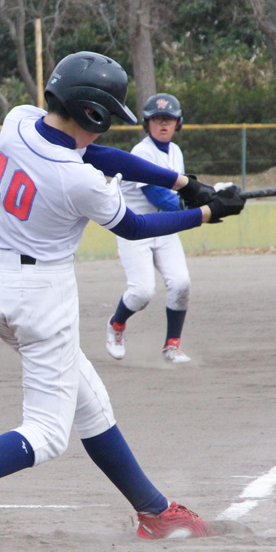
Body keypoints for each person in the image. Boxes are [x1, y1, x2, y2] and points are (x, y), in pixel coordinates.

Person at [0, 51, 246, 543]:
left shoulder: (18, 121)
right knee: (47, 433)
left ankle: (155, 512)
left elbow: (96, 153)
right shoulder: (76, 180)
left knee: (91, 404)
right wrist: (207, 213)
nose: (105, 129)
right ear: (92, 113)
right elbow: (134, 225)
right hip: (41, 299)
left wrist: (185, 183)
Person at [105, 93, 196, 364]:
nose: (163, 124)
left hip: (164, 228)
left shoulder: (175, 151)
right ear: (147, 124)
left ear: (178, 123)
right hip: (135, 228)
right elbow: (158, 196)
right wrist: (201, 208)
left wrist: (208, 197)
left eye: (169, 119)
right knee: (142, 292)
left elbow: (180, 191)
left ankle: (172, 346)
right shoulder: (141, 152)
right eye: (157, 119)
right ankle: (116, 324)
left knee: (181, 284)